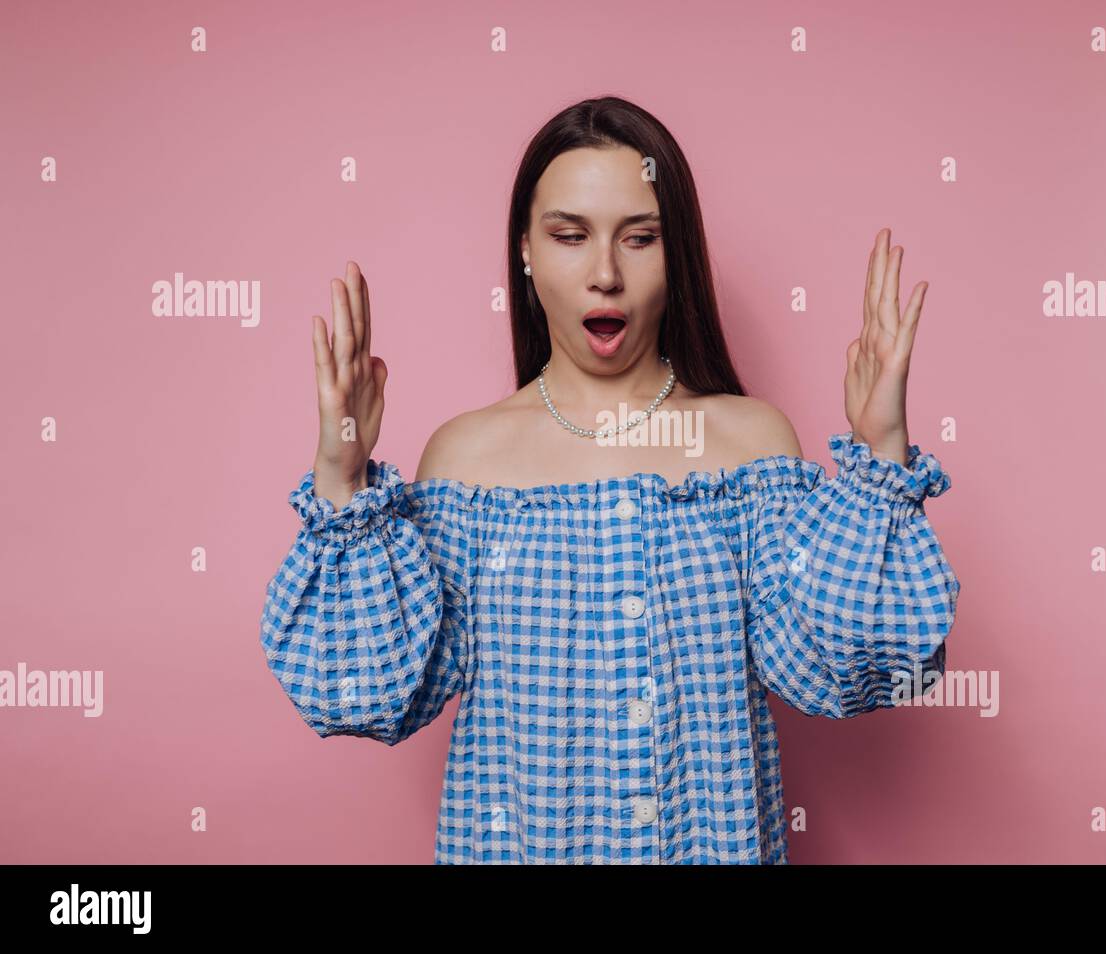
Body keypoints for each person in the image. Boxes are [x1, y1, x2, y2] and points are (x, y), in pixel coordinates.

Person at [260, 95, 961, 864]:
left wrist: (879, 458)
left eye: (641, 238)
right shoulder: (465, 462)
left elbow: (856, 671)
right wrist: (342, 477)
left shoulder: (751, 445)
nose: (604, 274)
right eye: (569, 236)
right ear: (525, 251)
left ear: (678, 253)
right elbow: (365, 694)